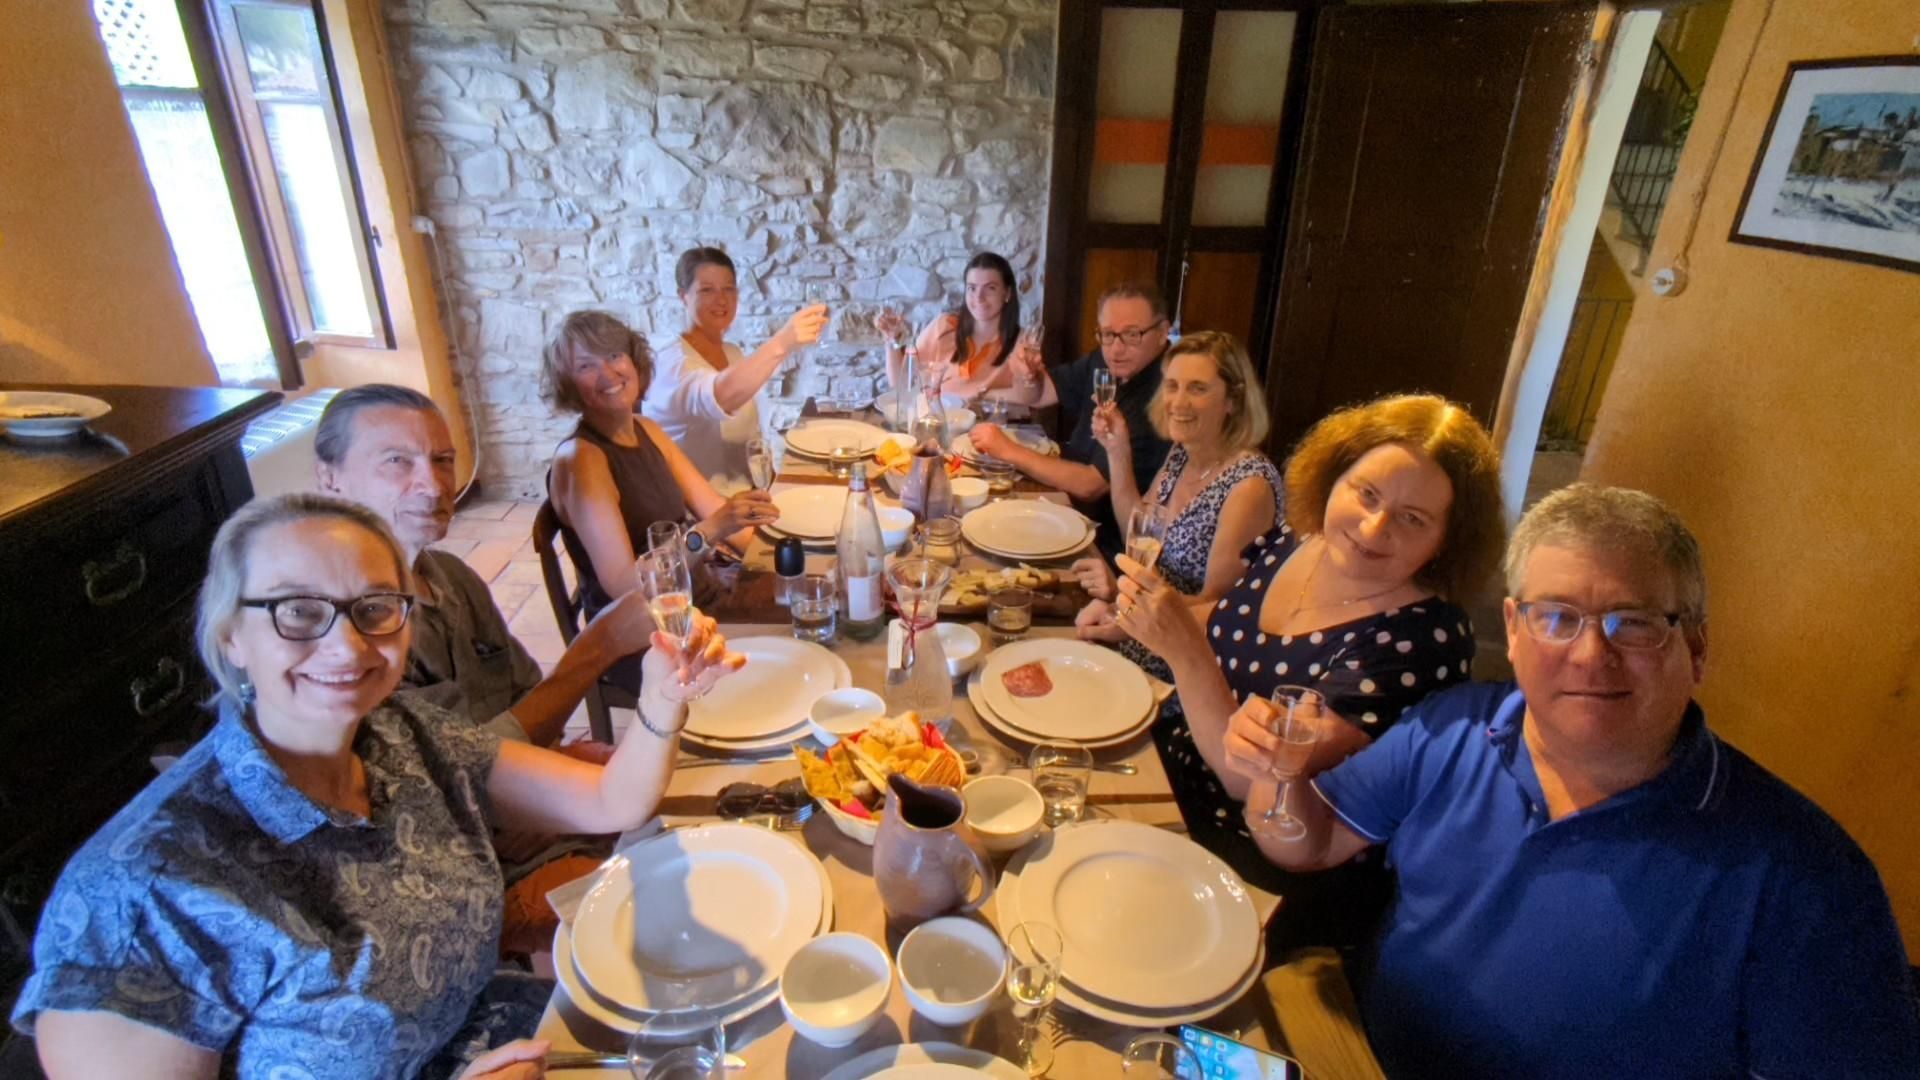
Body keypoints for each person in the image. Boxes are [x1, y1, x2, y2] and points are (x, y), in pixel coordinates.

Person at [10, 493, 742, 1079]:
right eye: (298, 610)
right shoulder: (142, 892)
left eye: (374, 609)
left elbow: (610, 801)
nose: (346, 645)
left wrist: (662, 694)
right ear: (231, 635)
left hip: (517, 1035)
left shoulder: (400, 731)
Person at [1223, 484, 1920, 1077]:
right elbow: (1304, 846)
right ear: (1514, 630)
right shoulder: (1453, 732)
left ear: (1697, 648)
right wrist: (1276, 774)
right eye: (1556, 617)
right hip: (1359, 1051)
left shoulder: (1806, 877)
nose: (1591, 655)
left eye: (1636, 624)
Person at [1111, 394, 1506, 949]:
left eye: (1412, 519)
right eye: (1365, 493)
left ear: (1449, 539)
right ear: (1334, 473)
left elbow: (1251, 781)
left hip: (1248, 863)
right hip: (1172, 778)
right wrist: (1129, 614)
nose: (1372, 528)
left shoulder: (1422, 641)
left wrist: (1184, 653)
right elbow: (1222, 619)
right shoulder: (1303, 540)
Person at [313, 383, 655, 953]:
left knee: (693, 809)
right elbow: (441, 798)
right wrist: (596, 649)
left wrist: (558, 770)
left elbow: (528, 708)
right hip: (469, 881)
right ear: (330, 478)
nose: (433, 484)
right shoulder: (344, 640)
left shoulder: (452, 577)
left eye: (443, 460)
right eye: (397, 461)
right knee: (655, 908)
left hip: (521, 822)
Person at [543, 309, 780, 691]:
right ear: (567, 384)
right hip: (645, 639)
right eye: (586, 366)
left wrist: (781, 548)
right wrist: (711, 531)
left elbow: (713, 509)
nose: (608, 374)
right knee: (792, 655)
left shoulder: (646, 429)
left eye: (615, 356)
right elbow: (624, 585)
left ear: (634, 360)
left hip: (699, 602)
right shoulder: (583, 461)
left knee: (810, 598)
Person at [1072, 331, 1283, 684]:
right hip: (1140, 636)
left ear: (1232, 400)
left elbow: (1216, 608)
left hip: (1180, 671)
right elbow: (1137, 535)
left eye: (1197, 388)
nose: (1178, 402)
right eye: (1172, 385)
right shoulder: (1184, 453)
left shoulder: (1249, 484)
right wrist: (1118, 451)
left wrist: (1126, 610)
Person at [966, 282, 1175, 552]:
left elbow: (1090, 485)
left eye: (1132, 335)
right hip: (1065, 501)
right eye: (1108, 334)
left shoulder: (1165, 393)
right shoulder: (1105, 362)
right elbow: (1040, 395)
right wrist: (1027, 375)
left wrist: (1008, 450)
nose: (1116, 349)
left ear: (1162, 332)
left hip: (1103, 539)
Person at [642, 246, 828, 486]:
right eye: (707, 290)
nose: (721, 299)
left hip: (750, 493)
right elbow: (719, 396)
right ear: (683, 296)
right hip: (700, 511)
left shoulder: (733, 352)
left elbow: (753, 434)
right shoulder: (671, 362)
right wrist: (784, 340)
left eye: (729, 289)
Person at [879, 251, 1040, 402]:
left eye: (990, 288)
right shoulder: (945, 326)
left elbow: (1030, 397)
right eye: (972, 288)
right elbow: (900, 384)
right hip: (936, 424)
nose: (979, 297)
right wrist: (891, 339)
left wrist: (979, 392)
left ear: (1007, 293)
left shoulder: (1022, 342)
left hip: (988, 427)